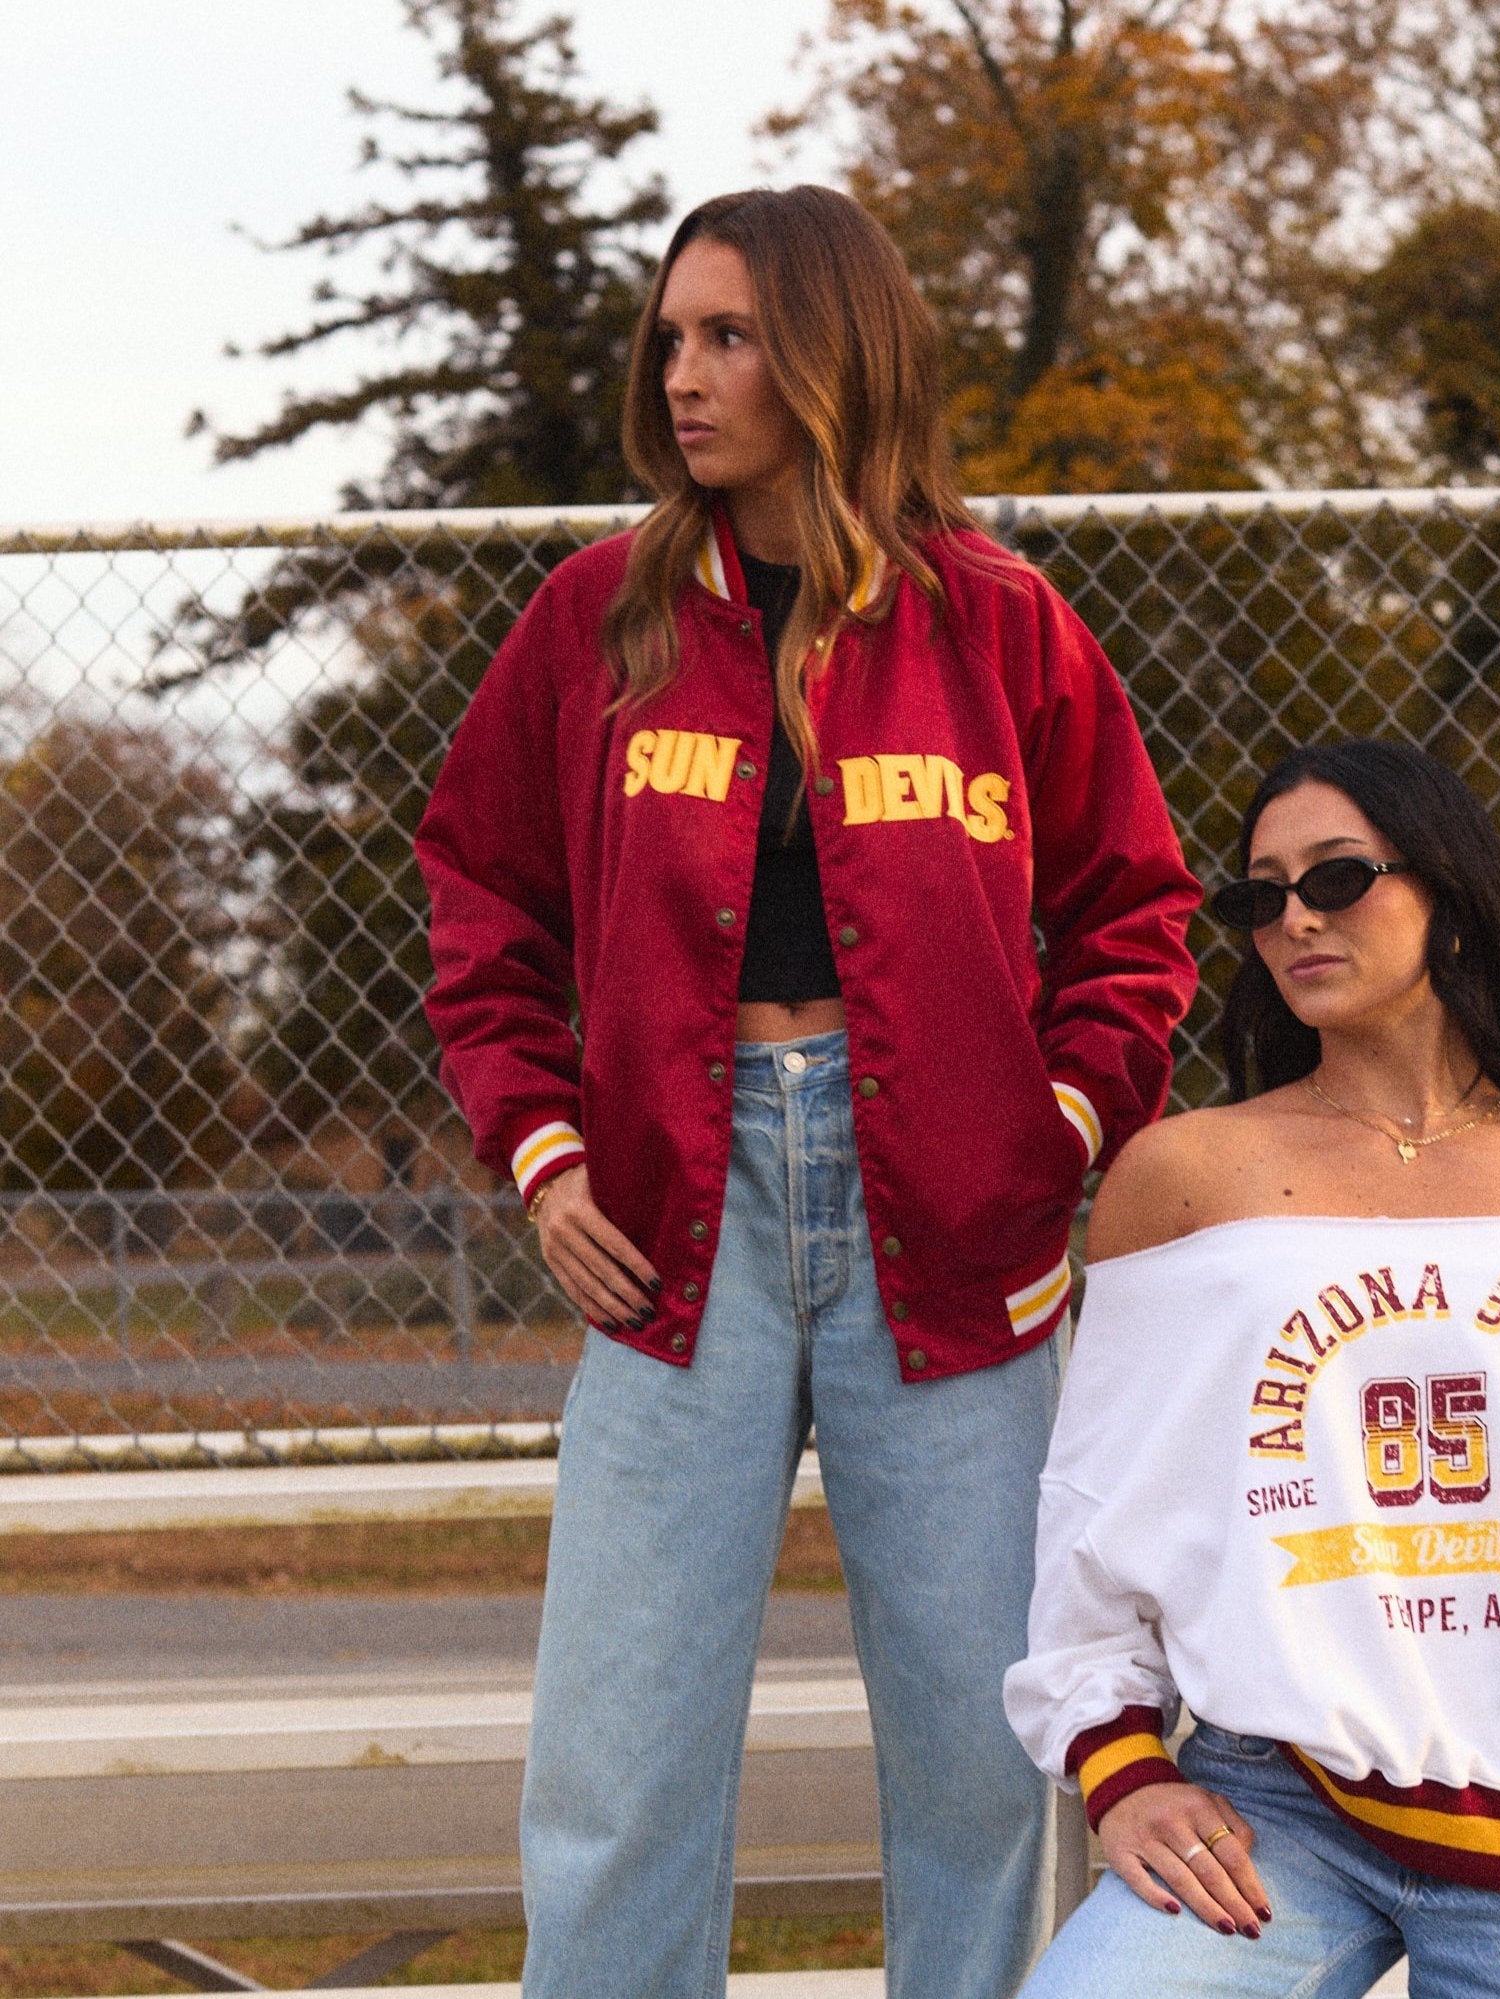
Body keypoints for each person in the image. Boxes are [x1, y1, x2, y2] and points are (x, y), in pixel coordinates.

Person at [414, 184, 1200, 1999]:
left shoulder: (999, 621)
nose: (682, 374)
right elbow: (482, 892)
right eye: (672, 337)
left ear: (834, 356)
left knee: (987, 1745)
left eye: (731, 336)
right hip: (673, 1219)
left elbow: (1135, 911)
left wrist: (1060, 1130)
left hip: (953, 1224)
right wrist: (541, 1156)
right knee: (616, 1758)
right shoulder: (595, 616)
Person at [1003, 739, 1500, 1999]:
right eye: (1257, 895)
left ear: (1445, 888)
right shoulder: (1180, 1177)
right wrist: (1120, 1762)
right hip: (1273, 1809)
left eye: (1334, 878)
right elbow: (1099, 1503)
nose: (1291, 920)